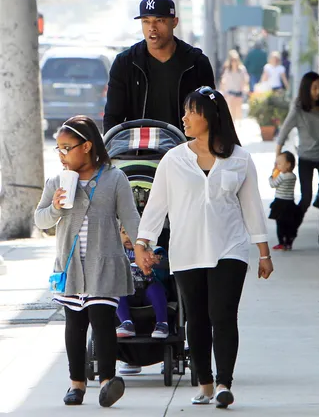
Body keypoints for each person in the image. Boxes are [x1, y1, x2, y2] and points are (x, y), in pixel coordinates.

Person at [134, 86, 274, 409]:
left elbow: (252, 208)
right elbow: (156, 207)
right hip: (187, 251)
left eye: (191, 112)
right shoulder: (173, 160)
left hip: (230, 249)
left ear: (210, 117)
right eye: (184, 111)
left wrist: (263, 253)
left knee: (223, 314)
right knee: (196, 318)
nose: (184, 118)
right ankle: (205, 383)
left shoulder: (240, 159)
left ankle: (225, 382)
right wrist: (143, 243)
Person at [34, 116, 140, 407]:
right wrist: (55, 206)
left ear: (87, 146)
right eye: (58, 149)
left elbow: (130, 216)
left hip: (104, 262)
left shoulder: (114, 178)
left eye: (67, 147)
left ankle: (107, 381)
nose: (62, 155)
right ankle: (76, 383)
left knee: (102, 320)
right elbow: (40, 220)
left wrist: (142, 246)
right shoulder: (56, 181)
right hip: (71, 268)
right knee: (75, 324)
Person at [103, 0, 215, 134]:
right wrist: (113, 151)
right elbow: (113, 117)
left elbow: (210, 115)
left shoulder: (196, 62)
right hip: (137, 151)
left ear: (174, 22)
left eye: (159, 20)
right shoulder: (125, 63)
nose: (152, 27)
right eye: (146, 21)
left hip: (185, 150)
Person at [117, 224, 169, 375]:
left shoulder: (154, 250)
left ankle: (162, 324)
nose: (127, 237)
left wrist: (157, 260)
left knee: (156, 289)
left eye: (132, 233)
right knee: (116, 292)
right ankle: (126, 323)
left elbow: (163, 264)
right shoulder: (117, 252)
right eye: (124, 232)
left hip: (148, 293)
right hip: (127, 294)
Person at [276, 71, 319, 220]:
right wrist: (277, 159)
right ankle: (291, 226)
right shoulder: (298, 109)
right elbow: (283, 132)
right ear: (307, 89)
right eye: (314, 88)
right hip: (306, 158)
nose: (318, 92)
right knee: (306, 198)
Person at [268, 151, 302, 250]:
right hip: (290, 203)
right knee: (289, 224)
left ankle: (281, 242)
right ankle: (288, 242)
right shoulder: (293, 176)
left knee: (280, 224)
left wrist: (271, 176)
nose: (277, 166)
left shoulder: (282, 176)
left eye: (279, 164)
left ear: (288, 165)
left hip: (280, 202)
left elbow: (273, 184)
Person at [220, 49, 249, 123]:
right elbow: (223, 81)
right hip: (230, 92)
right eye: (232, 60)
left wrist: (245, 88)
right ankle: (234, 123)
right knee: (232, 109)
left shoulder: (242, 69)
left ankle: (239, 123)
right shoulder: (227, 70)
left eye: (235, 60)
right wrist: (223, 91)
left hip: (239, 91)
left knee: (238, 108)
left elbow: (245, 79)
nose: (234, 62)